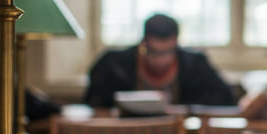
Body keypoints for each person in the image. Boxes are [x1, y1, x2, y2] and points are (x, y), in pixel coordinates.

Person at [83, 13, 236, 109]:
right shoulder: (113, 64)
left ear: (176, 43)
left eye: (167, 52)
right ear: (143, 44)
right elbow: (93, 101)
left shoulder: (195, 64)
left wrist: (187, 109)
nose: (160, 60)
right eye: (154, 52)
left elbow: (226, 97)